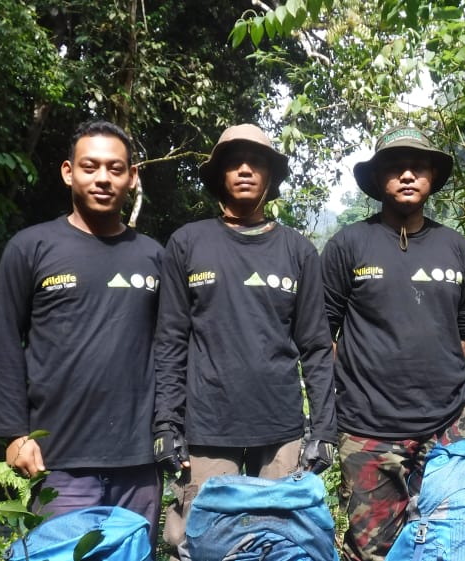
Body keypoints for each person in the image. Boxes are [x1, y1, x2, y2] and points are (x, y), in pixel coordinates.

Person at [152, 124, 337, 559]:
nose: (245, 170)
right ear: (219, 175)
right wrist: (166, 424)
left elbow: (315, 345)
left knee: (282, 542)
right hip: (207, 429)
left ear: (270, 176)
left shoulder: (297, 251)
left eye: (256, 162)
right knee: (200, 543)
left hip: (282, 431)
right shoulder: (188, 243)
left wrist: (325, 428)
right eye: (233, 162)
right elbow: (171, 341)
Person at [0, 120, 164, 545]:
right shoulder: (31, 248)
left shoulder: (155, 257)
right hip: (56, 458)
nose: (103, 178)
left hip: (138, 460)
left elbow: (172, 350)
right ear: (69, 172)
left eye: (115, 168)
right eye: (90, 166)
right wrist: (13, 434)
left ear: (132, 177)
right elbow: (3, 343)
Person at [321, 126, 465, 561]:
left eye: (418, 166)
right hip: (367, 428)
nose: (407, 175)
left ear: (432, 177)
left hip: (445, 425)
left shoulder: (455, 247)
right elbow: (323, 333)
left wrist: (434, 370)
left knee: (446, 541)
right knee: (371, 549)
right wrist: (365, 376)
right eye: (395, 167)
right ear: (378, 180)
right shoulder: (348, 244)